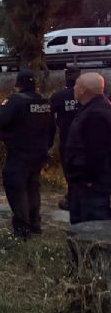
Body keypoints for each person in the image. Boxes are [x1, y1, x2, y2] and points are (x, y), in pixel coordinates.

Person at [0, 69, 55, 239]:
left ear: (18, 84)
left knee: (16, 188)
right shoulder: (45, 101)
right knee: (33, 187)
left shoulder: (15, 100)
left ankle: (22, 228)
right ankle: (34, 224)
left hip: (19, 153)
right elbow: (52, 128)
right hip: (39, 152)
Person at [63, 72, 111, 223]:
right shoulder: (96, 107)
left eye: (76, 85)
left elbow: (97, 151)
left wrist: (89, 178)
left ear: (83, 89)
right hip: (86, 182)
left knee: (90, 227)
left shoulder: (95, 114)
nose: (74, 89)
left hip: (90, 185)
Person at [50, 67, 81, 210]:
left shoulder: (58, 96)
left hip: (67, 140)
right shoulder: (88, 95)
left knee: (69, 170)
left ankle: (73, 199)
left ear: (65, 77)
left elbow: (48, 119)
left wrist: (49, 140)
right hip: (88, 140)